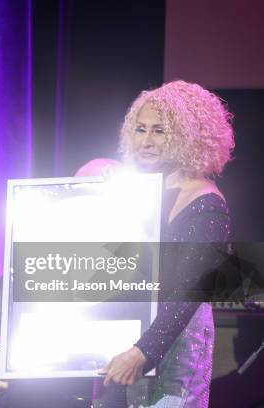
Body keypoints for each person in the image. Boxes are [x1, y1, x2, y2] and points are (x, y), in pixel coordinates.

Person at [96, 80, 235, 407]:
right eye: (140, 129)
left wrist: (144, 351)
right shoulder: (134, 193)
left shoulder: (206, 202)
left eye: (159, 131)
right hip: (124, 337)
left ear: (188, 137)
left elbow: (191, 290)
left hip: (172, 345)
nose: (145, 141)